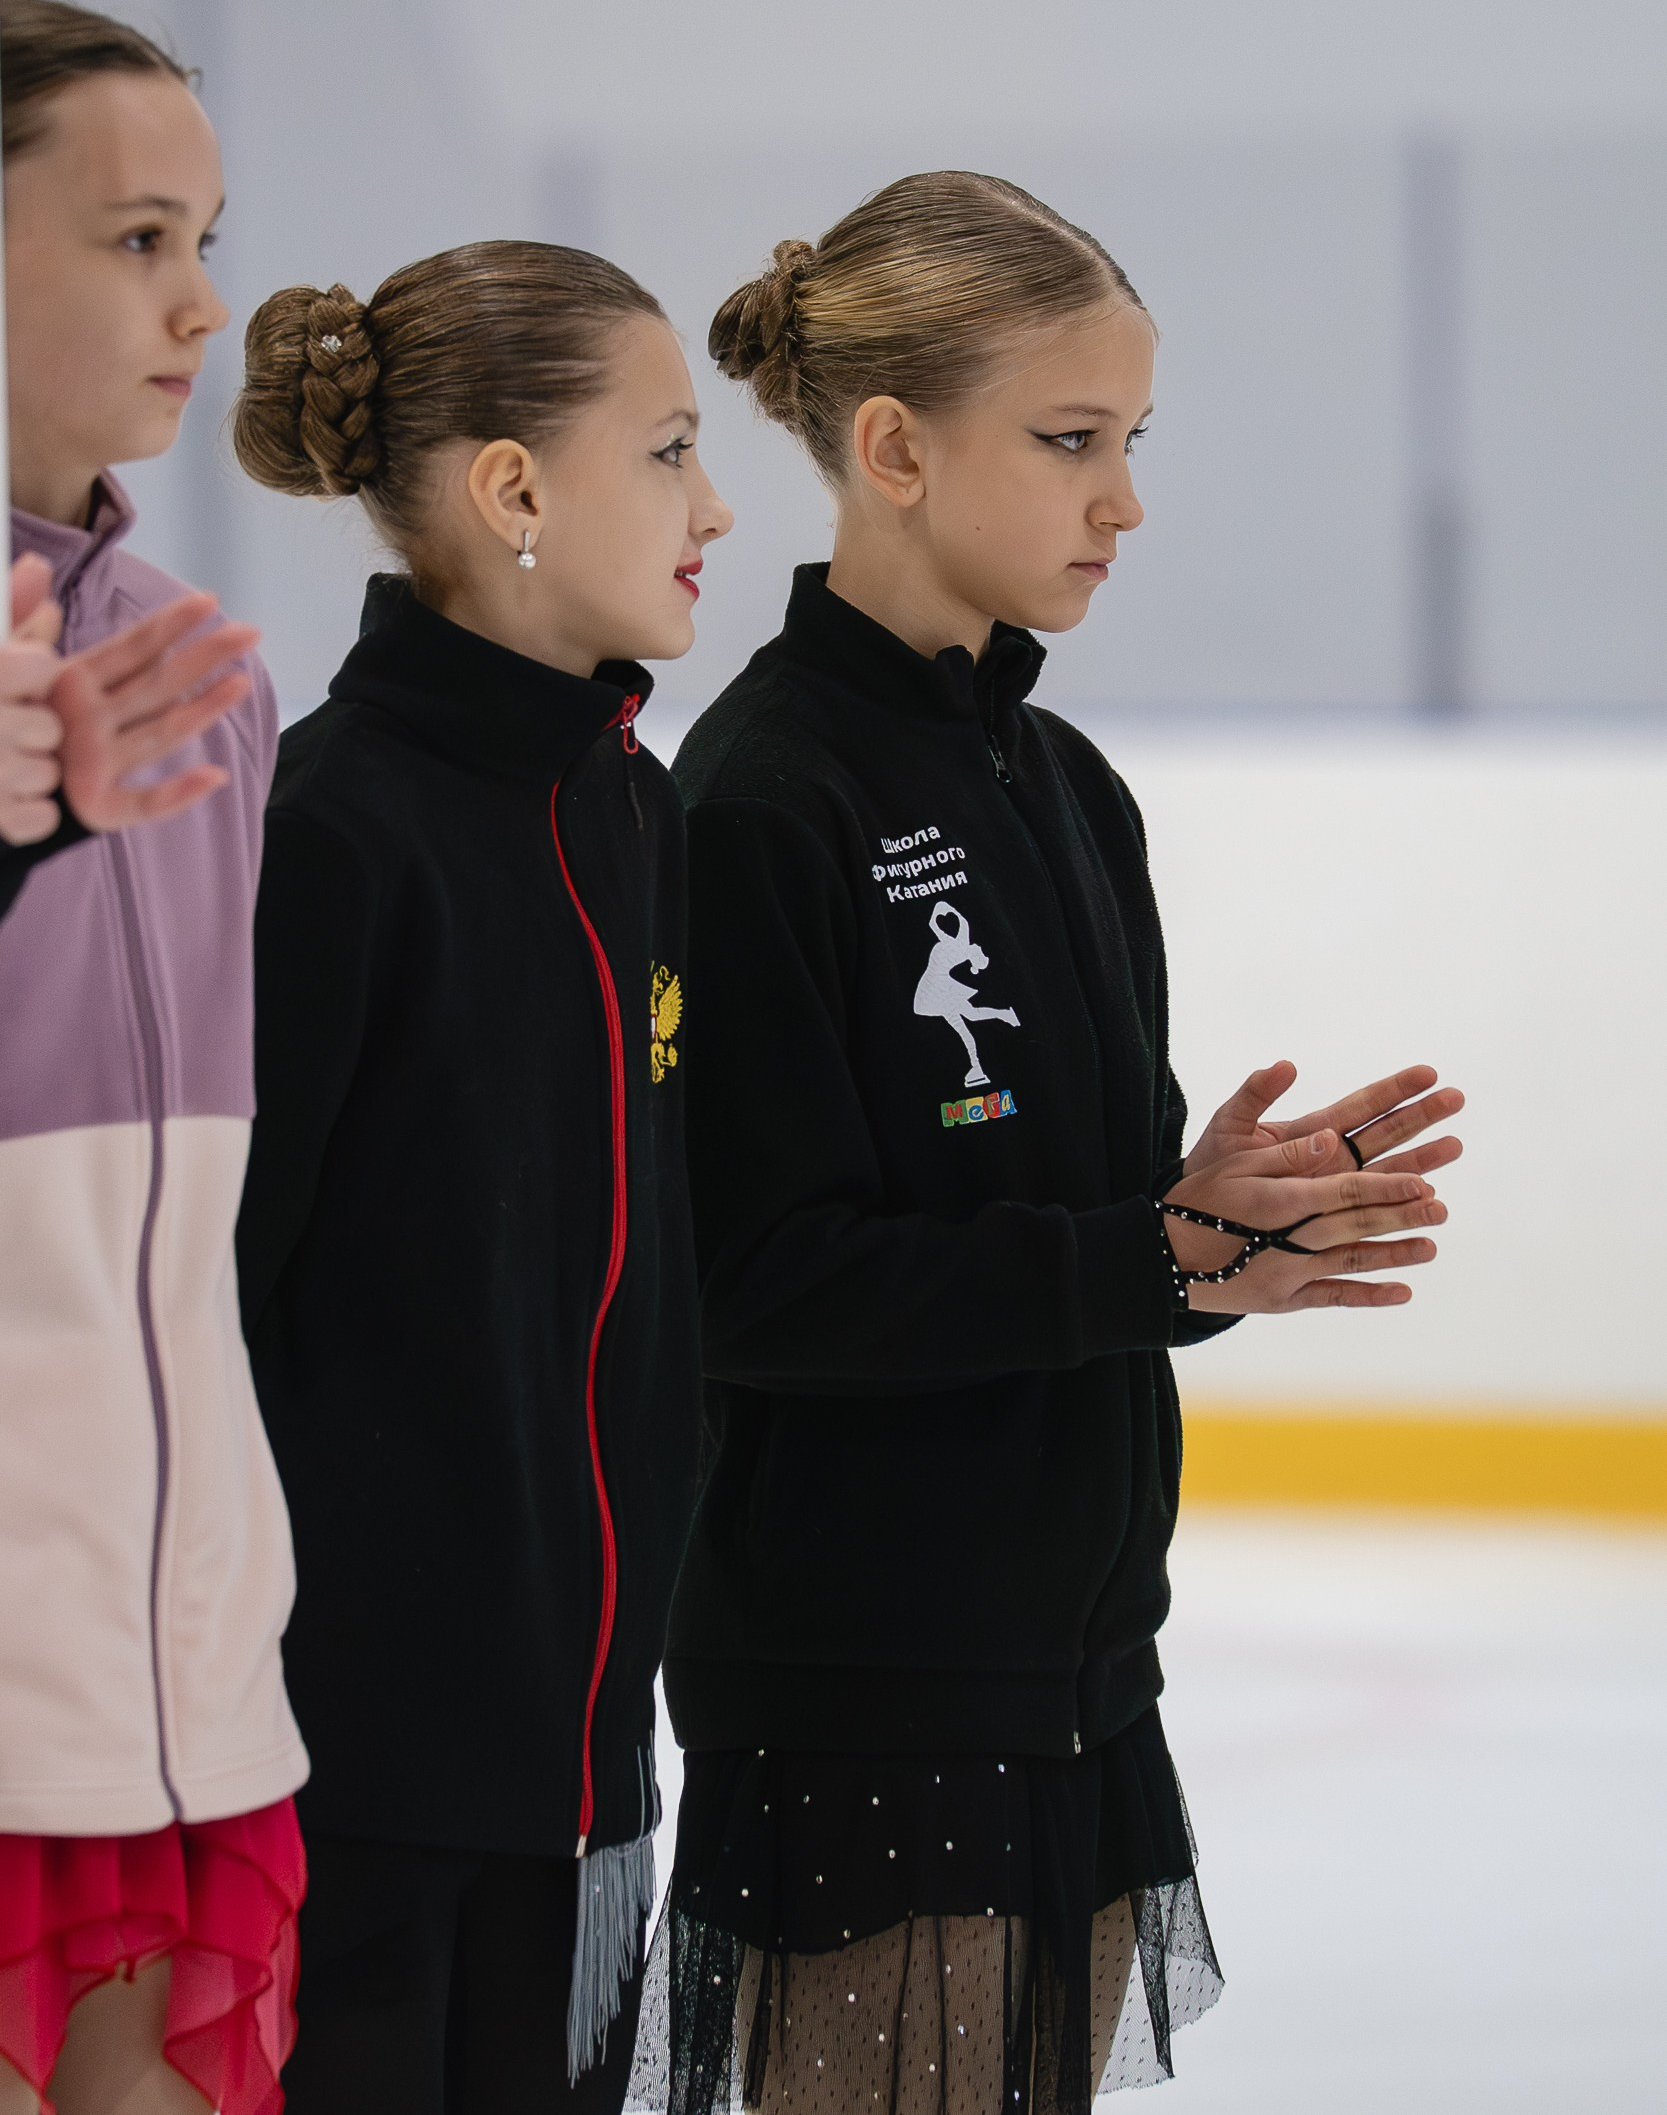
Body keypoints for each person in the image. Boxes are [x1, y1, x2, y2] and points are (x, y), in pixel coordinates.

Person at [634, 174, 1463, 2115]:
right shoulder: (761, 801)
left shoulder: (1066, 786)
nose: (1124, 499)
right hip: (863, 1701)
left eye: (1132, 441)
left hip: (1079, 1682)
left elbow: (1094, 1242)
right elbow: (745, 1282)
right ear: (897, 446)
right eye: (1071, 440)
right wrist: (1140, 1254)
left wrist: (1226, 1239)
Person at [229, 241, 733, 2115]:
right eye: (671, 450)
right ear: (514, 491)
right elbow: (211, 1308)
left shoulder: (633, 811)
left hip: (593, 1783)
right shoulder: (325, 836)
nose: (718, 505)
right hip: (346, 1800)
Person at [0, 0, 308, 2115]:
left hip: (179, 1669)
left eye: (203, 233)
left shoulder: (203, 678)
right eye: (135, 237)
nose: (204, 299)